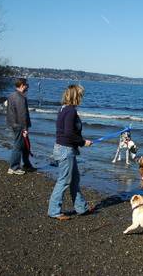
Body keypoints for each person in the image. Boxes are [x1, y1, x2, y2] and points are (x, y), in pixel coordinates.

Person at [48, 84, 95, 220]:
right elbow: (68, 133)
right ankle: (54, 211)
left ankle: (81, 208)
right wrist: (83, 142)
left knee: (74, 179)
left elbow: (65, 132)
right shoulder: (70, 111)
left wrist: (80, 142)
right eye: (81, 95)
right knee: (64, 181)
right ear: (76, 96)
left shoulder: (63, 108)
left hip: (64, 148)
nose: (82, 98)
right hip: (65, 150)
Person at [6, 78, 36, 175]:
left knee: (24, 146)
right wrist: (25, 129)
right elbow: (22, 115)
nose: (28, 86)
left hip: (13, 123)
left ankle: (27, 164)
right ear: (22, 85)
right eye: (26, 84)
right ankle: (13, 167)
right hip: (19, 125)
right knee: (18, 146)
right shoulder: (20, 98)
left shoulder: (11, 95)